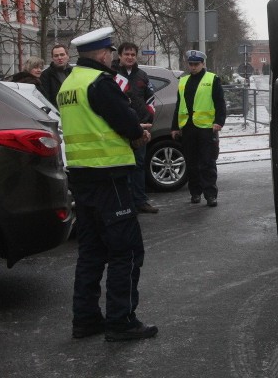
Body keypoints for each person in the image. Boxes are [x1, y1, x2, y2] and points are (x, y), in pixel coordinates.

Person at [58, 26, 158, 342]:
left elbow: (93, 124)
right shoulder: (100, 83)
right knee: (125, 251)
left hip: (82, 178)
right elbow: (125, 121)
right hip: (110, 178)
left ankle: (86, 319)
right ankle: (121, 320)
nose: (111, 58)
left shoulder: (69, 84)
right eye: (110, 53)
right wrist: (138, 133)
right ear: (103, 54)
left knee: (90, 252)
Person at [170, 49, 226, 207]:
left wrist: (219, 122)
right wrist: (175, 126)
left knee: (207, 162)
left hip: (206, 128)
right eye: (191, 64)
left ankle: (210, 195)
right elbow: (178, 105)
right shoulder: (183, 81)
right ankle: (195, 192)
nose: (193, 67)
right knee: (191, 162)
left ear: (203, 64)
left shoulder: (212, 79)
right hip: (188, 127)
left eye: (196, 64)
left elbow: (220, 102)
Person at [112, 42, 159, 214]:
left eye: (132, 54)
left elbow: (150, 98)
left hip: (140, 127)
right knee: (121, 166)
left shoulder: (142, 76)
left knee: (139, 165)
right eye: (127, 54)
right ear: (120, 56)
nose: (130, 57)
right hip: (120, 129)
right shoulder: (112, 75)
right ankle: (125, 203)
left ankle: (140, 201)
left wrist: (148, 117)